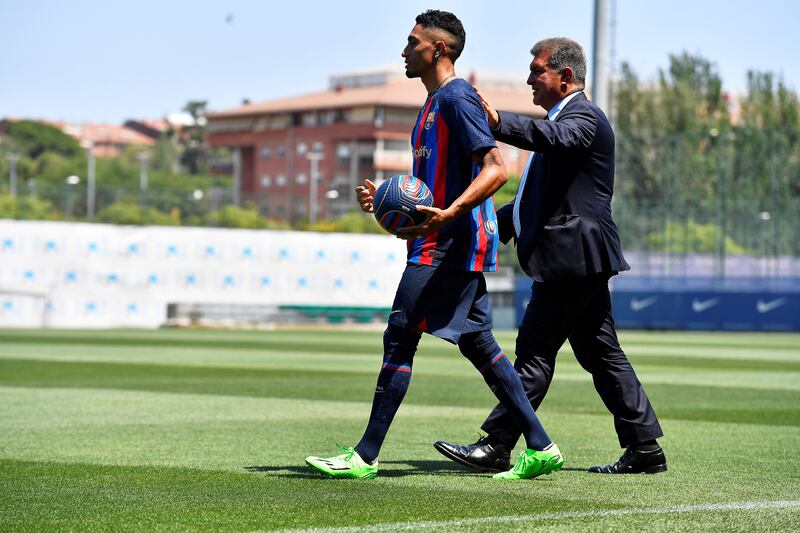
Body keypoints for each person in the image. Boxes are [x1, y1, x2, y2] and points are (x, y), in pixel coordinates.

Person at [305, 11, 563, 481]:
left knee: (400, 336)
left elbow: (496, 169)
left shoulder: (457, 98)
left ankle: (364, 456)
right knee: (479, 344)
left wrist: (448, 215)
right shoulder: (429, 106)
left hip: (449, 245)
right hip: (443, 240)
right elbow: (427, 187)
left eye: (412, 43)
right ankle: (542, 446)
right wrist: (384, 200)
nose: (404, 51)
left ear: (437, 49)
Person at [433, 37, 667, 474]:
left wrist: (497, 121)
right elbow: (532, 204)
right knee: (601, 353)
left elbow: (554, 137)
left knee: (535, 353)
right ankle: (645, 448)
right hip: (577, 256)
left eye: (537, 71)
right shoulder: (561, 121)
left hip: (573, 257)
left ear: (565, 77)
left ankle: (498, 444)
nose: (529, 78)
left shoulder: (585, 118)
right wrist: (470, 223)